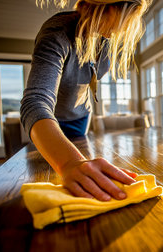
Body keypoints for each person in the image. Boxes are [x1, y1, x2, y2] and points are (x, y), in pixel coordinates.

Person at [20, 0, 152, 201]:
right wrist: (68, 163)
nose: (124, 29)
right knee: (47, 175)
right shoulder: (57, 33)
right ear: (108, 7)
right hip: (48, 124)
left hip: (81, 117)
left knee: (83, 181)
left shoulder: (106, 38)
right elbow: (35, 102)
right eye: (126, 19)